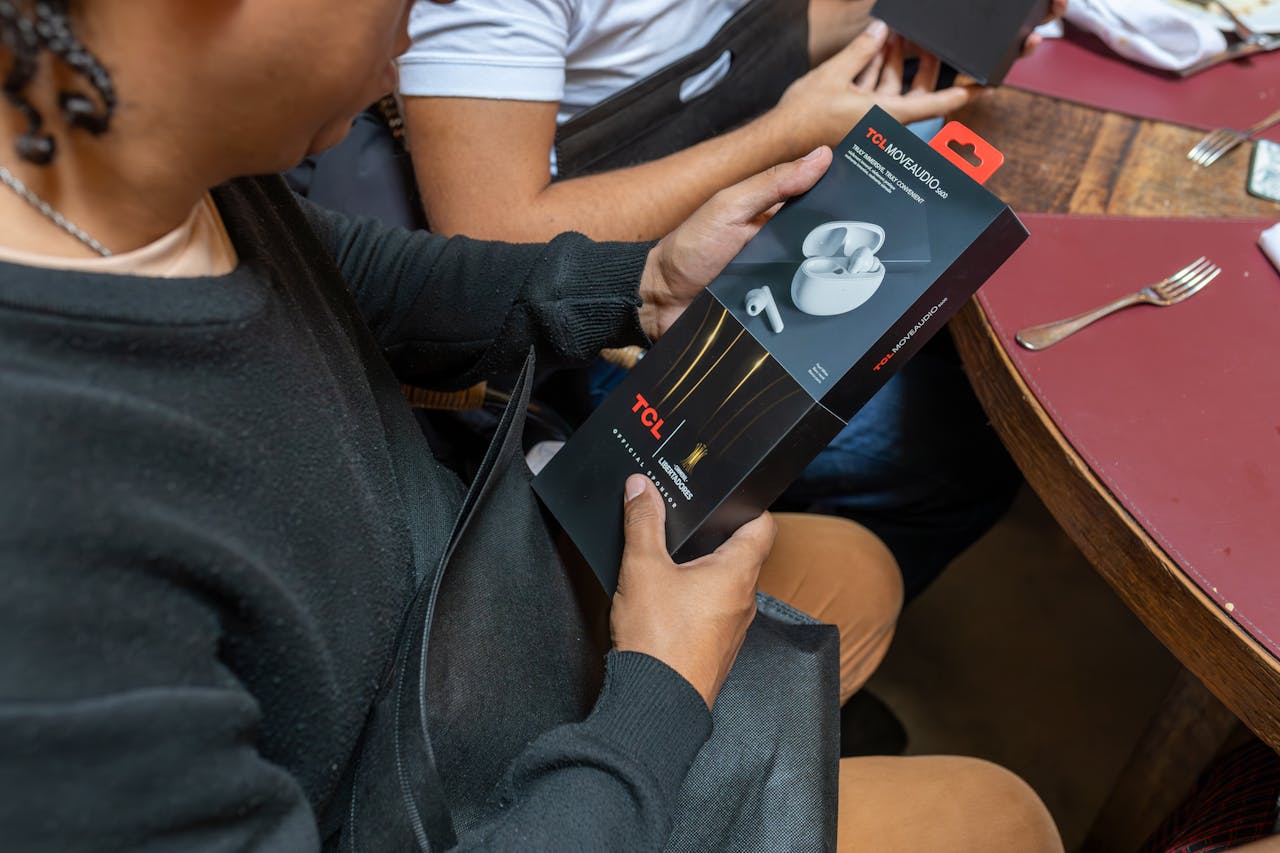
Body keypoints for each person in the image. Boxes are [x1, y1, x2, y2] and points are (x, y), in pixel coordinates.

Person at [0, 1, 1062, 850]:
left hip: (452, 606)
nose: (415, 40)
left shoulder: (136, 167)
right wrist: (656, 694)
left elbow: (343, 272)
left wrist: (634, 284)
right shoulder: (47, 585)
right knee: (995, 815)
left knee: (852, 573)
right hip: (424, 789)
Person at [396, 1, 1060, 599]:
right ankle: (762, 661)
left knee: (955, 323)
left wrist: (945, 17)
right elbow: (493, 244)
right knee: (965, 453)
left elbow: (770, 26)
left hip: (746, 224)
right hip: (608, 326)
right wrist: (785, 132)